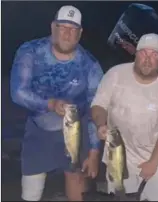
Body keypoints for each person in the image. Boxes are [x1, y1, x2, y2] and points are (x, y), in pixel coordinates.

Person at [10, 5, 103, 201]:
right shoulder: (31, 52)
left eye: (73, 29)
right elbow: (18, 92)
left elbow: (97, 108)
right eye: (62, 27)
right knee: (31, 192)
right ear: (53, 27)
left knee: (77, 183)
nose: (67, 34)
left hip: (77, 130)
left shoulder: (90, 66)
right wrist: (50, 104)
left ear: (80, 33)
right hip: (39, 128)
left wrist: (94, 152)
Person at [91, 33, 158, 201]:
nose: (148, 59)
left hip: (156, 157)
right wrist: (100, 124)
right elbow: (99, 104)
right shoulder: (115, 75)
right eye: (144, 53)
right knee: (120, 196)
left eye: (154, 55)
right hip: (117, 153)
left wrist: (152, 163)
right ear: (136, 54)